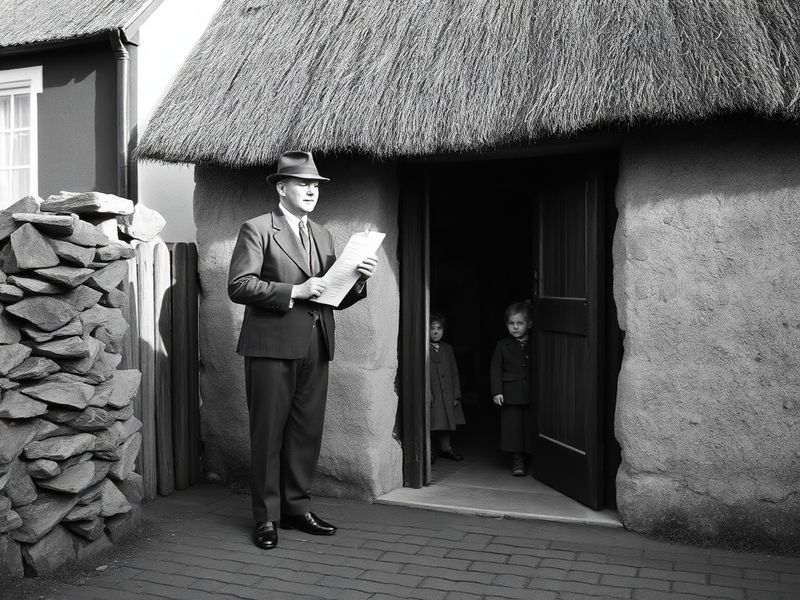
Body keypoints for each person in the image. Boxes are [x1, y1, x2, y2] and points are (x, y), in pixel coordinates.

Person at [228, 150, 378, 550]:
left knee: (306, 433)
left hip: (317, 342)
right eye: (303, 183)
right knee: (268, 434)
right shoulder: (257, 229)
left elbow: (330, 295)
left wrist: (359, 281)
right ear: (282, 187)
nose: (312, 191)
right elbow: (238, 285)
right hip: (270, 346)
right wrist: (293, 290)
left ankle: (296, 508)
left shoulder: (326, 235)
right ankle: (266, 518)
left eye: (315, 185)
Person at [490, 302, 534, 476]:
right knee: (513, 427)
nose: (515, 327)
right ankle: (517, 459)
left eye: (520, 323)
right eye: (511, 323)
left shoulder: (538, 342)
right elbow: (495, 369)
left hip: (532, 391)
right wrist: (497, 391)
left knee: (531, 424)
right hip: (511, 393)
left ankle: (534, 457)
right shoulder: (502, 345)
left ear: (529, 324)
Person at [428, 313, 465, 461]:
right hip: (432, 393)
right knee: (430, 422)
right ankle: (428, 451)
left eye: (439, 328)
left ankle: (446, 448)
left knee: (446, 421)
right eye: (432, 328)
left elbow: (454, 371)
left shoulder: (447, 348)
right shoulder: (422, 348)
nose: (436, 331)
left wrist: (456, 394)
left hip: (447, 393)